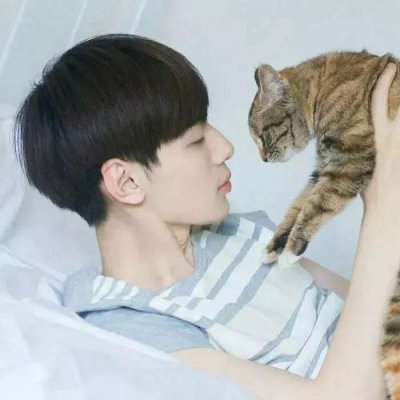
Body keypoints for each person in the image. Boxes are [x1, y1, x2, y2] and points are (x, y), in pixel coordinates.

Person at [13, 33, 399, 399]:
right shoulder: (138, 334)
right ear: (127, 181)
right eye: (196, 140)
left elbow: (373, 306)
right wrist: (382, 209)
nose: (225, 147)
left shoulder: (236, 235)